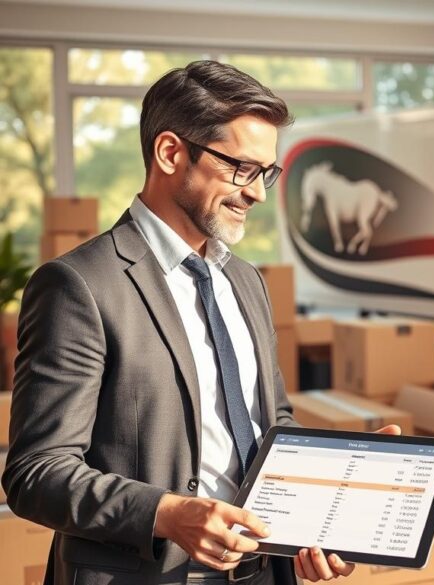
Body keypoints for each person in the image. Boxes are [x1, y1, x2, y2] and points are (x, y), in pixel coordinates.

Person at [2, 60, 389, 585]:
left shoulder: (246, 281)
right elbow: (36, 473)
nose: (257, 193)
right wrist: (169, 514)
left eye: (266, 173)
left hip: (263, 573)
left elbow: (273, 423)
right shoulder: (79, 285)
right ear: (169, 153)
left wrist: (331, 499)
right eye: (242, 168)